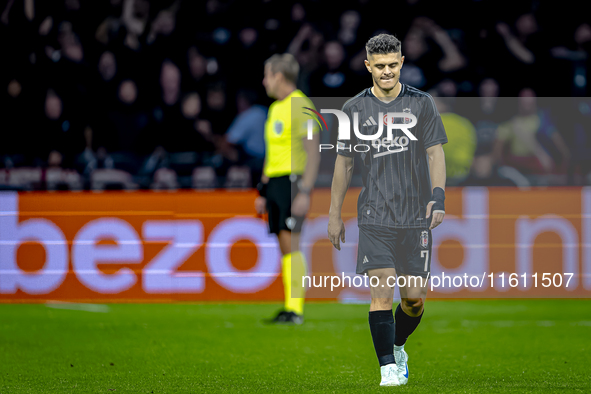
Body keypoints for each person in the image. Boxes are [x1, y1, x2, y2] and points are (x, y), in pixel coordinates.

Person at [327, 34, 447, 386]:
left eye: (393, 65)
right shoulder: (353, 109)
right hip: (375, 216)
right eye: (379, 66)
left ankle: (397, 346)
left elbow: (435, 152)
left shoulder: (422, 104)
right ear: (368, 66)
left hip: (415, 218)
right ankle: (388, 370)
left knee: (413, 302)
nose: (387, 72)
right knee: (381, 293)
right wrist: (334, 214)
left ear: (402, 62)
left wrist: (438, 197)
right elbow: (344, 164)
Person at [255, 53, 320, 325]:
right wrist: (262, 190)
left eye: (267, 75)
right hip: (276, 182)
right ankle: (289, 306)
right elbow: (272, 153)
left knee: (291, 244)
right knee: (284, 245)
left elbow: (313, 151)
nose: (264, 81)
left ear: (279, 76)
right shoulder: (275, 109)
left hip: (293, 181)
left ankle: (295, 309)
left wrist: (305, 191)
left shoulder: (301, 106)